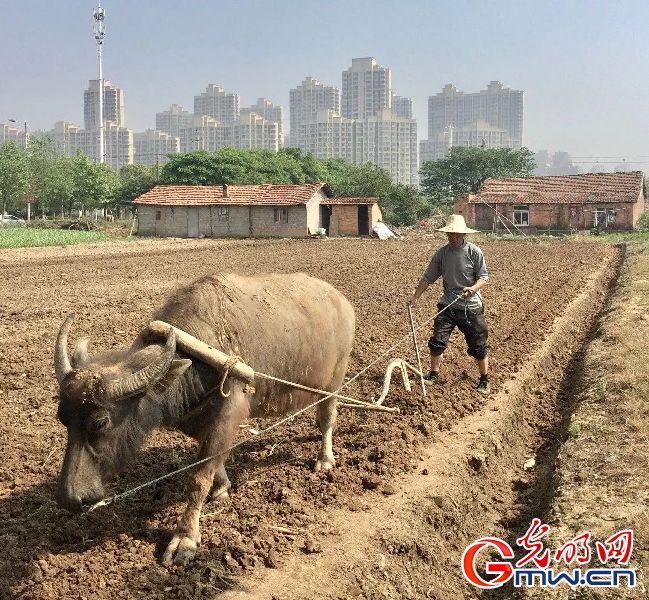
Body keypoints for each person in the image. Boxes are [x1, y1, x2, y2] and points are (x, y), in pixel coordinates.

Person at [408, 214, 490, 395]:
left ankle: (484, 379)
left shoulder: (474, 251)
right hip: (448, 305)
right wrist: (416, 297)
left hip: (471, 306)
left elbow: (483, 277)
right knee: (437, 341)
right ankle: (433, 374)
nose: (453, 238)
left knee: (478, 344)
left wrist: (473, 288)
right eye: (450, 234)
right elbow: (428, 277)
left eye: (456, 234)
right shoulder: (442, 254)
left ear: (463, 234)